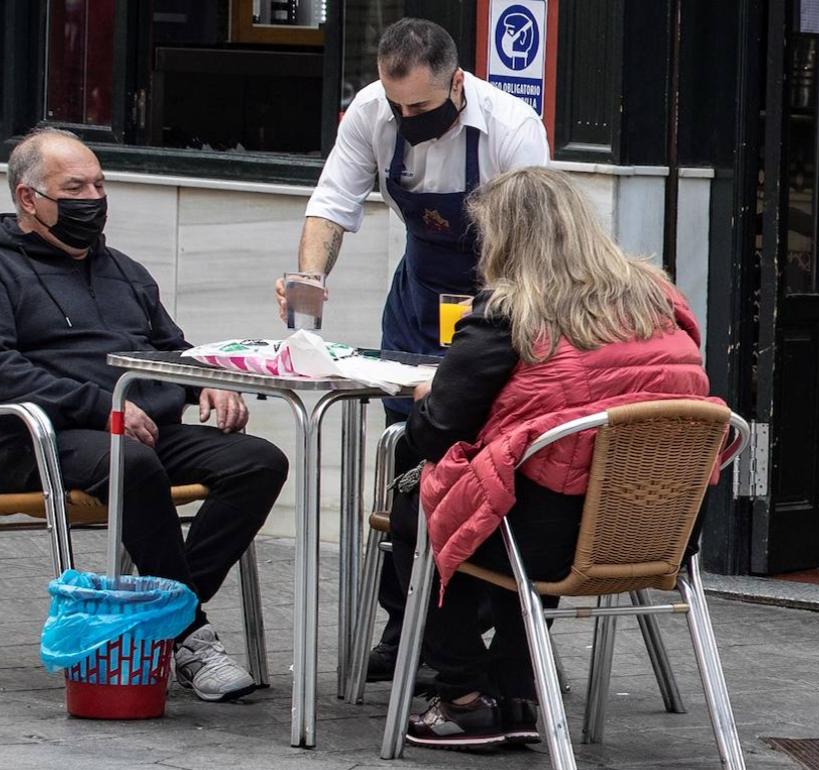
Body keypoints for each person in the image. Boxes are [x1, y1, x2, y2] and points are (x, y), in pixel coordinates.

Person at [387, 167, 721, 750]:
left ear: (507, 240)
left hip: (549, 537)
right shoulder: (660, 301)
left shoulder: (507, 314)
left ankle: (465, 695)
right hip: (659, 528)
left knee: (426, 497)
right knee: (535, 482)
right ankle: (516, 688)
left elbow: (437, 431)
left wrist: (426, 398)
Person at [0, 128, 289, 703]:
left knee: (259, 461)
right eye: (75, 187)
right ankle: (188, 635)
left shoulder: (124, 270)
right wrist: (102, 405)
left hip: (144, 430)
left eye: (100, 184)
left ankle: (158, 611)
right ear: (29, 198)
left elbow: (171, 349)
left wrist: (207, 384)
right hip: (39, 442)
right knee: (130, 462)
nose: (93, 198)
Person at [275, 17, 549, 681]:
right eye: (397, 105)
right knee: (411, 455)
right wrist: (310, 283)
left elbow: (540, 246)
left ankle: (459, 620)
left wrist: (493, 338)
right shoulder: (371, 112)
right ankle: (411, 619)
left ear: (457, 82)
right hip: (420, 303)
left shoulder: (512, 128)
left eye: (420, 107)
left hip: (497, 307)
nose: (406, 117)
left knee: (484, 459)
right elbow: (332, 205)